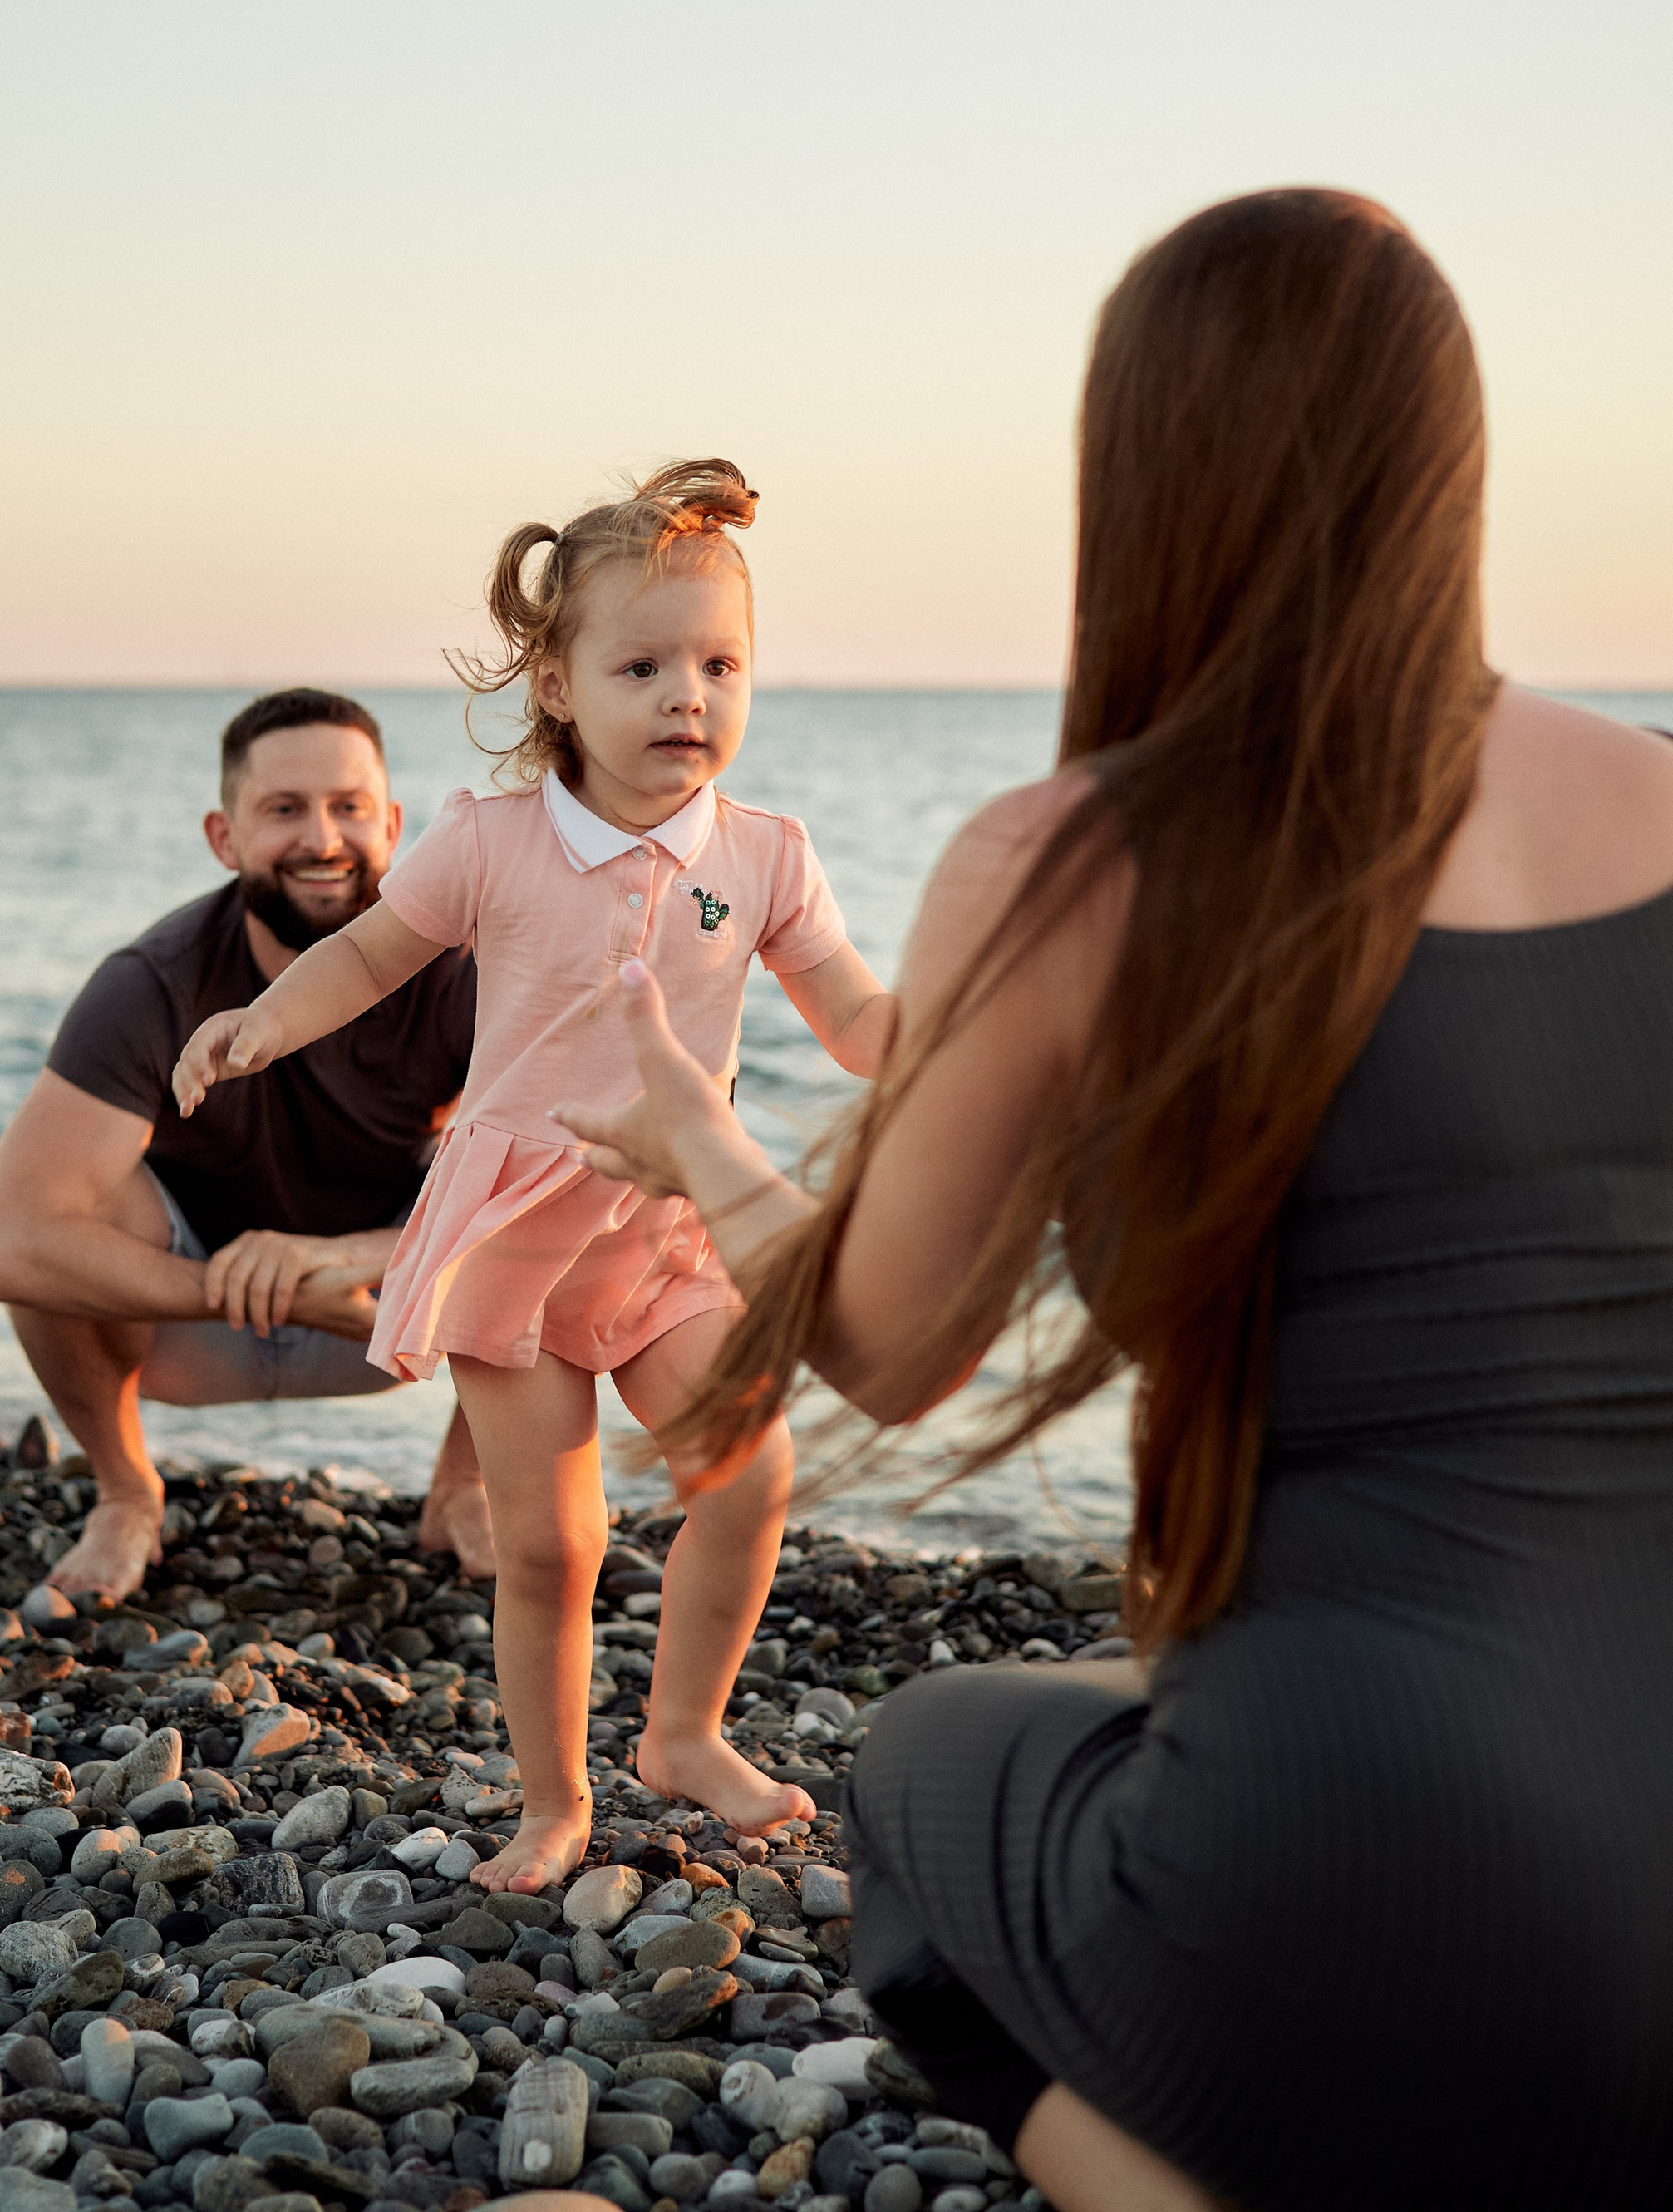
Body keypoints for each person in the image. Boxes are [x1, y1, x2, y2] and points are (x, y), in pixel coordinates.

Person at [556, 195, 1673, 2212]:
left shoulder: (1075, 850)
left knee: (919, 1782)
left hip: (1349, 1839)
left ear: (1138, 470)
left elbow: (897, 1346)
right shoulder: (1661, 799)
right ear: (1452, 462)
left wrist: (695, 1137)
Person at [173, 461, 898, 1891]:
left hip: (671, 1225)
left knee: (750, 1472)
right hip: (514, 1230)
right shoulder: (496, 840)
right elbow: (372, 954)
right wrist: (263, 1021)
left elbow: (863, 1022)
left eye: (718, 663)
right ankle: (555, 1798)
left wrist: (988, 1053)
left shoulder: (764, 858)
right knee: (554, 1543)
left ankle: (683, 1732)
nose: (686, 695)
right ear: (560, 684)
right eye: (642, 665)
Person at [0, 687, 495, 1604]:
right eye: (284, 809)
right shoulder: (152, 983)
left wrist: (352, 1261)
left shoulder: (463, 968)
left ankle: (465, 1484)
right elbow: (12, 1245)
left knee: (565, 1189)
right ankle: (127, 1490)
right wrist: (239, 1286)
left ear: (395, 822)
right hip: (184, 1326)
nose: (323, 837)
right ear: (224, 836)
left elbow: (566, 1181)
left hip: (377, 1317)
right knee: (65, 1210)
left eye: (349, 807)